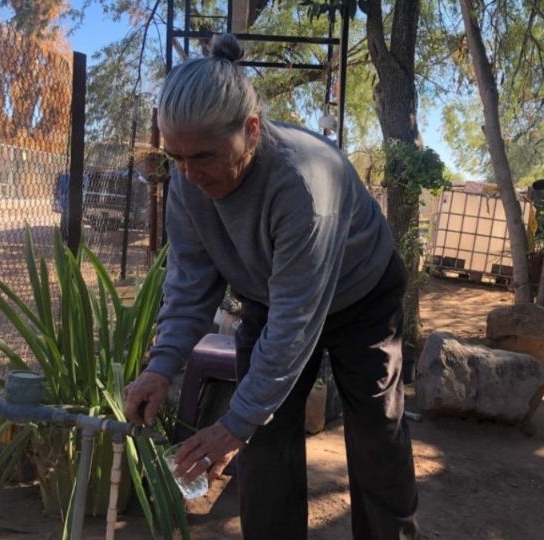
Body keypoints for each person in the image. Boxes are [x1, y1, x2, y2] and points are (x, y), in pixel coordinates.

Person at [123, 33, 419, 540]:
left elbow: (293, 326)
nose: (190, 174)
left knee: (376, 432)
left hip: (361, 295)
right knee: (266, 443)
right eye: (176, 158)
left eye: (204, 156)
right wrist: (161, 367)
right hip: (268, 293)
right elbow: (190, 287)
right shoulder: (189, 182)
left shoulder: (302, 184)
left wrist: (233, 424)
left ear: (252, 130)